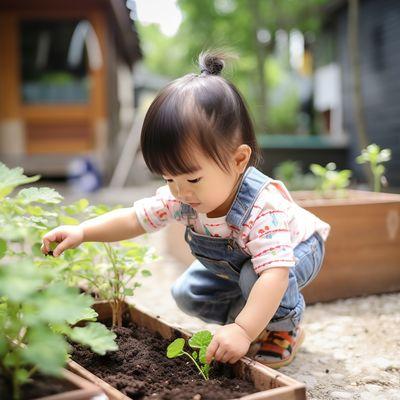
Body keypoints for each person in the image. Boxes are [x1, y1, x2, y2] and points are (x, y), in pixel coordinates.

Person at [42, 50, 330, 369]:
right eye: (169, 177)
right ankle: (258, 316)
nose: (180, 190)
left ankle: (285, 328)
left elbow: (274, 274)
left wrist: (243, 330)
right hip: (245, 261)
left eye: (192, 177)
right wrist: (83, 232)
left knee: (258, 276)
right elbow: (134, 219)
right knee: (187, 292)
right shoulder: (181, 195)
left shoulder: (263, 208)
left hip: (297, 250)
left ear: (238, 161)